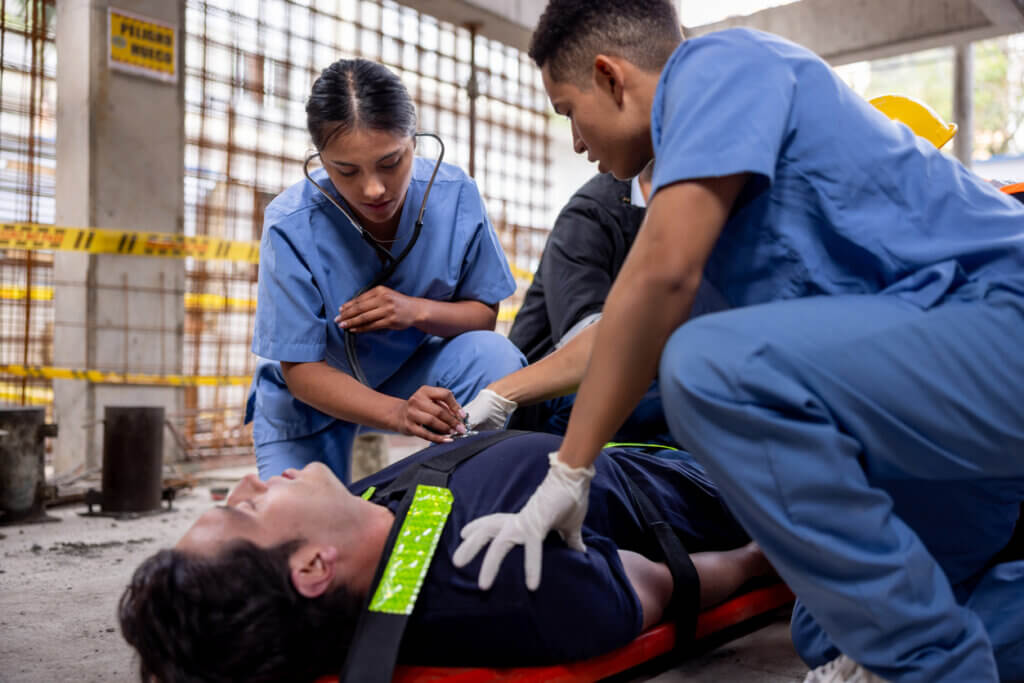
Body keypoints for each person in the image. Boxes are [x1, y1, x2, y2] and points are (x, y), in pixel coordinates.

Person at [452, 2, 1024, 683]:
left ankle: (939, 669)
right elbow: (622, 335)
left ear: (611, 77)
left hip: (998, 325)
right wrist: (500, 392)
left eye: (567, 110)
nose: (575, 140)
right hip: (952, 408)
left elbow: (658, 282)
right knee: (829, 627)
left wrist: (568, 471)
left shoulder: (720, 66)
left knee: (709, 370)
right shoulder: (720, 212)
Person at [117, 432, 773, 682]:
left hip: (595, 432)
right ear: (313, 567)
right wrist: (760, 557)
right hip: (707, 472)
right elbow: (663, 583)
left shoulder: (370, 522)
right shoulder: (506, 581)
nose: (250, 482)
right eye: (246, 510)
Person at [246, 58, 526, 482]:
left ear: (413, 141)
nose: (373, 188)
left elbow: (483, 315)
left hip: (411, 372)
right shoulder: (290, 223)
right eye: (346, 171)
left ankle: (470, 485)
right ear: (321, 159)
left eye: (391, 162)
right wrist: (399, 414)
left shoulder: (455, 196)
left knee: (495, 356)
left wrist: (415, 311)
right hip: (310, 402)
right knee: (301, 534)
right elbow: (301, 371)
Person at [478, 162, 724, 443]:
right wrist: (502, 394)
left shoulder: (695, 207)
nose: (577, 145)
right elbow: (595, 345)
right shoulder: (589, 214)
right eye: (567, 116)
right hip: (554, 393)